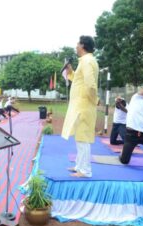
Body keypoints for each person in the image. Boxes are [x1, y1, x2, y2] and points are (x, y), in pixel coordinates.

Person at [61, 35, 99, 178]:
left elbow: (90, 85)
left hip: (84, 106)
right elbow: (79, 80)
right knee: (80, 137)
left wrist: (95, 100)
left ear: (83, 46)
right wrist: (70, 72)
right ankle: (79, 166)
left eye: (77, 43)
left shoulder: (88, 61)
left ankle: (85, 171)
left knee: (83, 138)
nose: (76, 46)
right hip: (80, 105)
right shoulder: (85, 61)